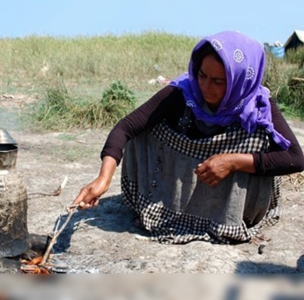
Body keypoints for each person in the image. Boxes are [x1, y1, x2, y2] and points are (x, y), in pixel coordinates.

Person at [72, 31, 304, 244]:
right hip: (175, 193)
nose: (205, 87)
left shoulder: (259, 105)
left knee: (259, 139)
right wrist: (103, 179)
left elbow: (295, 158)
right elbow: (126, 127)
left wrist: (233, 161)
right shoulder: (184, 91)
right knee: (145, 130)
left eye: (218, 81)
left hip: (230, 204)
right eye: (202, 75)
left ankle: (225, 216)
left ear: (239, 80)